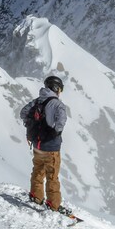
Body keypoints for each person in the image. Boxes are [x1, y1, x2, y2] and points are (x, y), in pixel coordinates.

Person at [20, 75, 68, 211]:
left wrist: (31, 125)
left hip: (37, 145)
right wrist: (54, 133)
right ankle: (53, 204)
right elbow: (61, 122)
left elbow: (23, 113)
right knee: (52, 176)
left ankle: (36, 196)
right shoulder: (58, 104)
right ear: (56, 88)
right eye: (60, 89)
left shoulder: (37, 101)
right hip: (51, 147)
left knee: (38, 171)